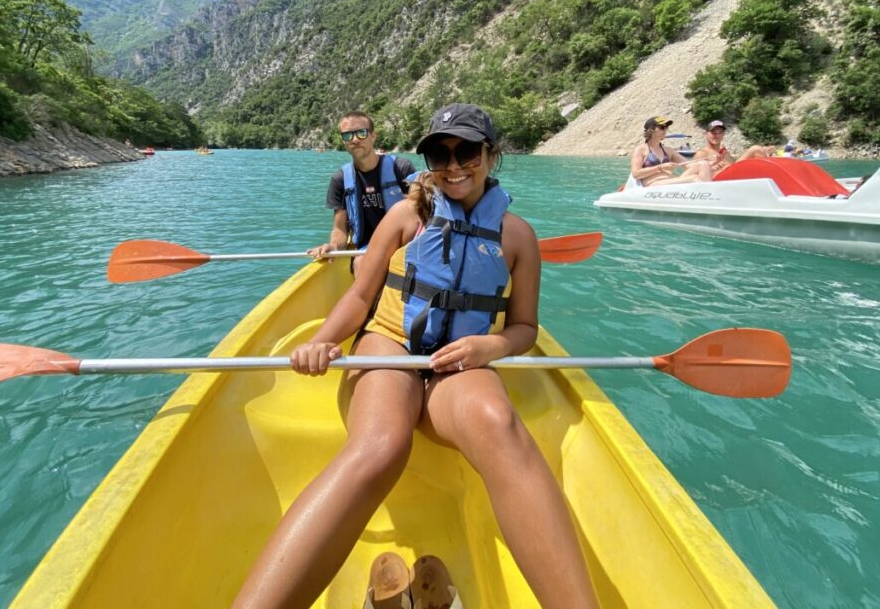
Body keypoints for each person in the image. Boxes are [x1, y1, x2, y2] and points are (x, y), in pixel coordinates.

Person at [234, 104, 599, 609]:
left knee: (499, 423)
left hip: (458, 362)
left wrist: (492, 345)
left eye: (467, 150)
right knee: (382, 444)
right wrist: (327, 340)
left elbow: (523, 328)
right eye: (439, 152)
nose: (453, 165)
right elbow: (361, 297)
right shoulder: (407, 217)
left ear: (492, 155)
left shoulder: (518, 237)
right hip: (390, 343)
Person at [308, 111, 416, 275]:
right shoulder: (340, 180)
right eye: (348, 136)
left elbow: (419, 214)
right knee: (361, 263)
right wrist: (333, 247)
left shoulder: (401, 169)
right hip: (367, 249)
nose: (355, 139)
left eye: (361, 133)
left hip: (404, 245)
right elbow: (340, 229)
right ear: (343, 142)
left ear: (373, 136)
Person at [630, 116, 712, 187]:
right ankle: (710, 196)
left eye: (666, 128)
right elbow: (636, 174)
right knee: (694, 178)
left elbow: (689, 165)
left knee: (703, 164)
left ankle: (709, 196)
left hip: (670, 183)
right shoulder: (640, 150)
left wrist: (712, 164)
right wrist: (660, 167)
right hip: (653, 185)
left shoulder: (668, 151)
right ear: (651, 130)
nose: (665, 130)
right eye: (661, 127)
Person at [692, 120, 774, 174]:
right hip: (719, 182)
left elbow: (733, 165)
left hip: (732, 175)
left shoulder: (723, 152)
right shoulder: (702, 153)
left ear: (723, 134)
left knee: (757, 149)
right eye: (713, 132)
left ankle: (769, 176)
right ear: (706, 134)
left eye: (720, 132)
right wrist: (715, 166)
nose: (716, 135)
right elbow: (697, 175)